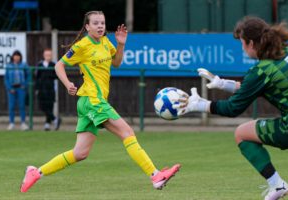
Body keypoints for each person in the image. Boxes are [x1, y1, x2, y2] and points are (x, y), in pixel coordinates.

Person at [20, 11, 180, 193]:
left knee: (80, 153)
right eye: (96, 23)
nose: (100, 26)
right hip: (92, 100)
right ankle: (155, 176)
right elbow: (59, 65)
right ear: (87, 26)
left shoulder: (105, 42)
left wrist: (121, 44)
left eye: (102, 23)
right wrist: (67, 84)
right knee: (127, 132)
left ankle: (36, 172)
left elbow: (117, 63)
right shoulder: (82, 46)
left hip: (92, 102)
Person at [175, 16, 288, 200]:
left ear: (251, 43)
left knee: (241, 134)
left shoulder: (262, 70)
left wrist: (200, 105)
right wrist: (222, 83)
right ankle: (277, 186)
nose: (242, 48)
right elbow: (252, 86)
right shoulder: (287, 53)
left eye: (242, 43)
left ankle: (277, 185)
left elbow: (233, 108)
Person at [35, 48, 61, 131]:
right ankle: (55, 119)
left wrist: (49, 75)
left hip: (50, 89)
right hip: (42, 89)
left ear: (52, 56)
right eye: (46, 55)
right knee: (42, 106)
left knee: (50, 106)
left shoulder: (54, 65)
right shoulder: (40, 65)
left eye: (49, 55)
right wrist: (37, 88)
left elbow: (57, 76)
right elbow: (36, 77)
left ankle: (47, 124)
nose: (48, 57)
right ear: (44, 55)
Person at [4, 50, 29, 131]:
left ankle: (23, 123)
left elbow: (28, 76)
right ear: (13, 57)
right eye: (15, 55)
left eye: (18, 56)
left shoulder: (24, 65)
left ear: (20, 57)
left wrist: (24, 85)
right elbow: (6, 78)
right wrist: (9, 88)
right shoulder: (9, 66)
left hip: (21, 88)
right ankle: (11, 123)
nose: (16, 57)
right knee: (11, 106)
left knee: (22, 105)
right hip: (11, 88)